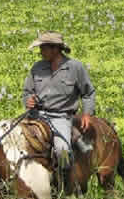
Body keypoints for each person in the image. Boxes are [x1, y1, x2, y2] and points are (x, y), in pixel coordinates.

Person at [22, 31, 96, 192]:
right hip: (36, 115)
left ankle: (65, 186)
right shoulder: (37, 67)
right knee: (13, 141)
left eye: (43, 47)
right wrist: (28, 101)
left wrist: (87, 113)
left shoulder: (75, 67)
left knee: (62, 149)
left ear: (55, 49)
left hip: (60, 116)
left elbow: (88, 93)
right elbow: (27, 93)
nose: (40, 51)